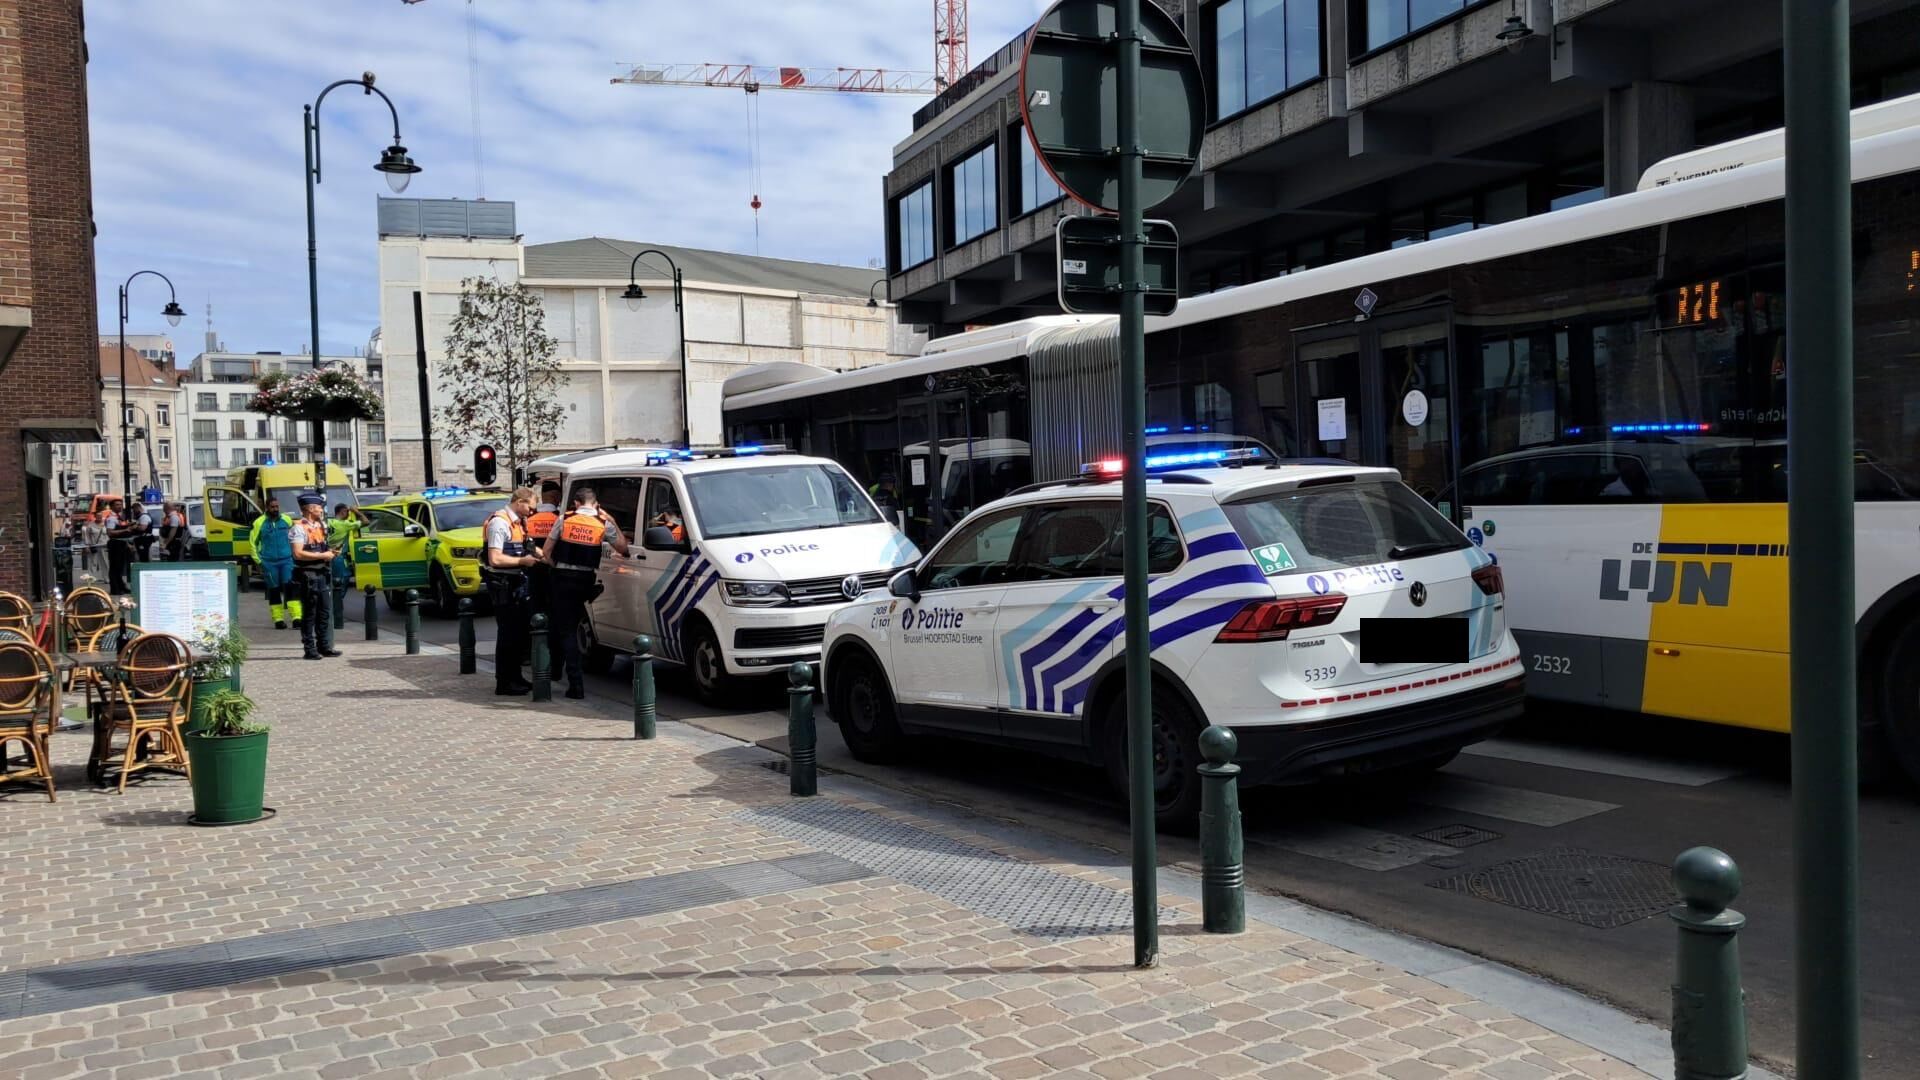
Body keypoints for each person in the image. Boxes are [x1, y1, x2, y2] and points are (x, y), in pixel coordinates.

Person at [540, 485, 628, 700]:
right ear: (596, 504)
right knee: (572, 626)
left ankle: (573, 683)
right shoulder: (602, 523)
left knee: (564, 629)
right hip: (585, 581)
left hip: (562, 579)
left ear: (576, 503)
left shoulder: (565, 519)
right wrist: (612, 520)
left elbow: (547, 552)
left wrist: (555, 566)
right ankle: (564, 676)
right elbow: (623, 548)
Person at [483, 486, 539, 696]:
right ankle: (504, 682)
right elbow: (495, 559)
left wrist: (547, 558)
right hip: (502, 584)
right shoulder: (500, 523)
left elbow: (528, 547)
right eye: (530, 508)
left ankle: (516, 677)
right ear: (520, 502)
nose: (532, 512)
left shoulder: (518, 522)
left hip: (515, 582)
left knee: (518, 634)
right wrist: (523, 561)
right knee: (508, 634)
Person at [290, 494, 341, 659]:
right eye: (319, 507)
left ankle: (324, 646)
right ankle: (309, 649)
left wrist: (331, 553)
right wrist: (323, 556)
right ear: (311, 509)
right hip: (308, 575)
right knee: (310, 613)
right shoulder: (298, 528)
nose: (321, 510)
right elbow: (298, 553)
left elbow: (319, 548)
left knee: (324, 611)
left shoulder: (319, 526)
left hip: (321, 573)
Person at [248, 498, 299, 628]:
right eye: (272, 507)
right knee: (274, 590)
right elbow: (253, 543)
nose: (275, 509)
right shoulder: (259, 523)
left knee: (291, 587)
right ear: (267, 508)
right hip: (269, 563)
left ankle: (296, 618)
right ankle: (278, 620)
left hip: (287, 560)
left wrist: (295, 555)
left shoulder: (287, 520)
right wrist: (259, 561)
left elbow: (295, 537)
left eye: (277, 506)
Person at [524, 480, 562, 616]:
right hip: (555, 569)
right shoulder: (560, 519)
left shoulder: (528, 518)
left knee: (536, 608)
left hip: (533, 570)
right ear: (557, 497)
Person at [102, 498, 133, 594]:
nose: (119, 506)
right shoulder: (111, 518)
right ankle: (115, 589)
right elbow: (110, 532)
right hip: (115, 544)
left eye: (120, 504)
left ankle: (121, 586)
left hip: (122, 543)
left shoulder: (119, 517)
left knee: (120, 567)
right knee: (115, 567)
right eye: (117, 505)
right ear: (111, 507)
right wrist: (125, 530)